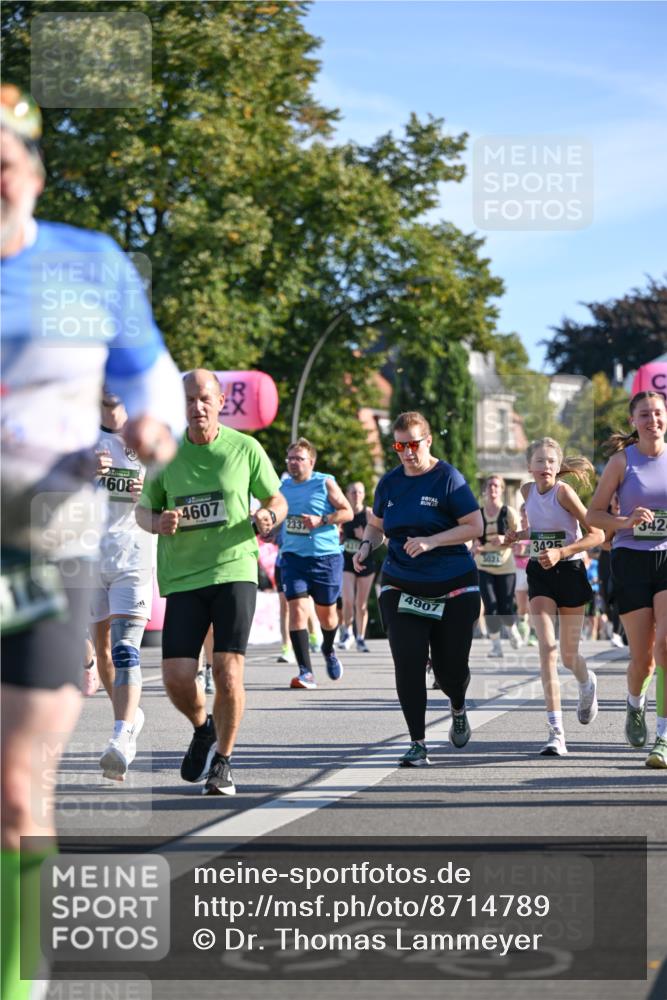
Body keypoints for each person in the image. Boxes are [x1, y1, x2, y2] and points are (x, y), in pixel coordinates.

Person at [1, 83, 183, 1000]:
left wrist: (153, 428)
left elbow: (151, 376)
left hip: (42, 544)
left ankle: (19, 979)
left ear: (32, 172)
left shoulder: (86, 264)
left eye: (5, 162)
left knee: (18, 781)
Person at [136, 369, 287, 795]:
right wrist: (158, 522)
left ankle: (223, 760)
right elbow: (142, 511)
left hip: (235, 568)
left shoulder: (245, 448)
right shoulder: (164, 454)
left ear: (221, 402)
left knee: (227, 671)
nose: (197, 407)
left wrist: (268, 516)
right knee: (176, 678)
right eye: (188, 400)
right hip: (183, 576)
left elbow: (277, 498)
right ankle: (203, 728)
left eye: (205, 398)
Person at [353, 411, 483, 767]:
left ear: (427, 441)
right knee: (407, 661)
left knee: (449, 670)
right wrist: (366, 546)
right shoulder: (390, 483)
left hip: (452, 582)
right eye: (400, 445)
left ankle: (457, 703)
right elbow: (376, 526)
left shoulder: (448, 478)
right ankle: (418, 741)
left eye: (413, 444)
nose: (408, 452)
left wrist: (432, 541)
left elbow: (475, 525)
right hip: (401, 581)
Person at [505, 438, 604, 757]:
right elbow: (541, 530)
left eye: (551, 461)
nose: (545, 466)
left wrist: (562, 551)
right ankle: (556, 733)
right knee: (547, 648)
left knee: (567, 655)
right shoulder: (526, 492)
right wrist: (519, 536)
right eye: (540, 461)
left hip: (571, 573)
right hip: (540, 575)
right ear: (529, 467)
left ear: (557, 467)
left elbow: (597, 534)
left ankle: (586, 682)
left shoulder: (564, 492)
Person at [587, 390, 667, 768]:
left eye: (658, 413)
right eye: (645, 415)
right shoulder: (622, 462)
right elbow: (593, 515)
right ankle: (635, 703)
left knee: (666, 648)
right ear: (634, 422)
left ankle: (664, 737)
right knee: (643, 659)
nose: (653, 420)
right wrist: (624, 522)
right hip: (631, 559)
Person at [90, 389, 154, 781]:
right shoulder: (78, 436)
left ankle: (120, 737)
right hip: (88, 557)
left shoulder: (147, 436)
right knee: (103, 655)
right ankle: (131, 718)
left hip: (133, 557)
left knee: (125, 647)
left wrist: (150, 496)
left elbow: (173, 494)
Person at [279, 437, 353, 689]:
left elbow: (348, 511)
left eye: (298, 459)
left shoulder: (325, 482)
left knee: (328, 618)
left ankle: (329, 648)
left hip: (325, 558)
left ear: (311, 461)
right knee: (297, 611)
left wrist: (322, 520)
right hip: (293, 558)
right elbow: (277, 515)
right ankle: (305, 672)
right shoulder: (282, 487)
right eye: (290, 459)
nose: (293, 463)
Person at [473, 474, 522, 656]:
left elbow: (519, 537)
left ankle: (512, 630)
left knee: (505, 606)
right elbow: (471, 537)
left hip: (505, 565)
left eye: (496, 486)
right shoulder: (478, 514)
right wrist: (475, 545)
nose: (492, 489)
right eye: (489, 486)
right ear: (485, 491)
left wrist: (505, 539)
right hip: (483, 565)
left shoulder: (508, 513)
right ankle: (496, 646)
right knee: (490, 605)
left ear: (501, 489)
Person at [339, 481, 376, 653]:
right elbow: (337, 536)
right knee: (347, 600)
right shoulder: (344, 513)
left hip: (366, 562)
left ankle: (360, 637)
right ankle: (347, 633)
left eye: (360, 492)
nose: (356, 495)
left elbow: (378, 538)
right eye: (353, 492)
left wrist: (364, 538)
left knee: (361, 604)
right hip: (347, 561)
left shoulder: (368, 514)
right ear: (347, 494)